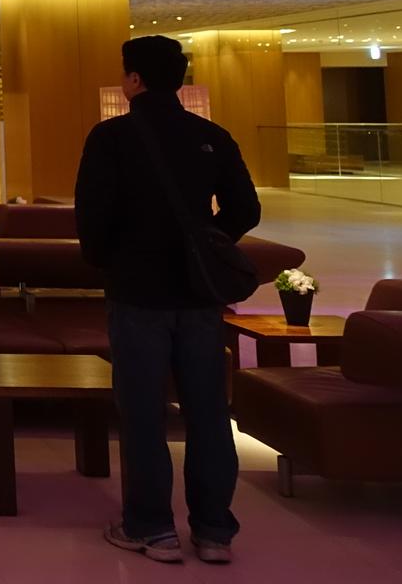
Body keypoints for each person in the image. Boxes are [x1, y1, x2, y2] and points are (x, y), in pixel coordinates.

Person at [75, 35, 261, 566]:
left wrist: (112, 257)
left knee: (142, 413)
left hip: (137, 291)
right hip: (199, 295)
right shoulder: (211, 135)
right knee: (206, 410)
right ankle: (213, 530)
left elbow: (92, 218)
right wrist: (203, 241)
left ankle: (152, 527)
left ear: (133, 80)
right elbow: (245, 208)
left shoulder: (112, 137)